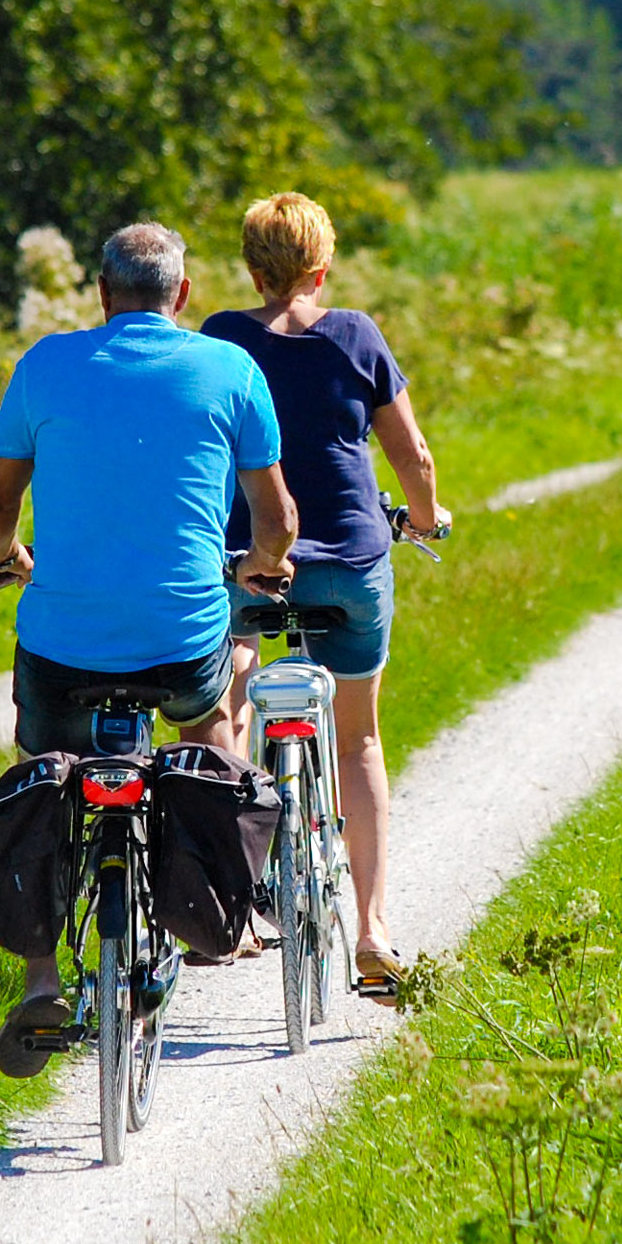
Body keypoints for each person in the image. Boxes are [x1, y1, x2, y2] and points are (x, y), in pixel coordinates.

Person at [0, 221, 299, 1076]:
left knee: (48, 763)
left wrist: (4, 561)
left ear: (102, 295)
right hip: (179, 638)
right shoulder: (230, 369)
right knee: (207, 721)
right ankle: (210, 914)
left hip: (63, 643)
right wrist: (262, 570)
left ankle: (43, 981)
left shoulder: (46, 364)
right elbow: (278, 521)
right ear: (182, 295)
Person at [202, 191, 448, 996]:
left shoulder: (222, 338)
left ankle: (235, 906)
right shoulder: (355, 334)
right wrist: (424, 518)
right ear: (322, 265)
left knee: (227, 699)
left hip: (250, 558)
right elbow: (412, 454)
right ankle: (373, 932)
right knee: (359, 738)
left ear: (251, 268)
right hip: (348, 557)